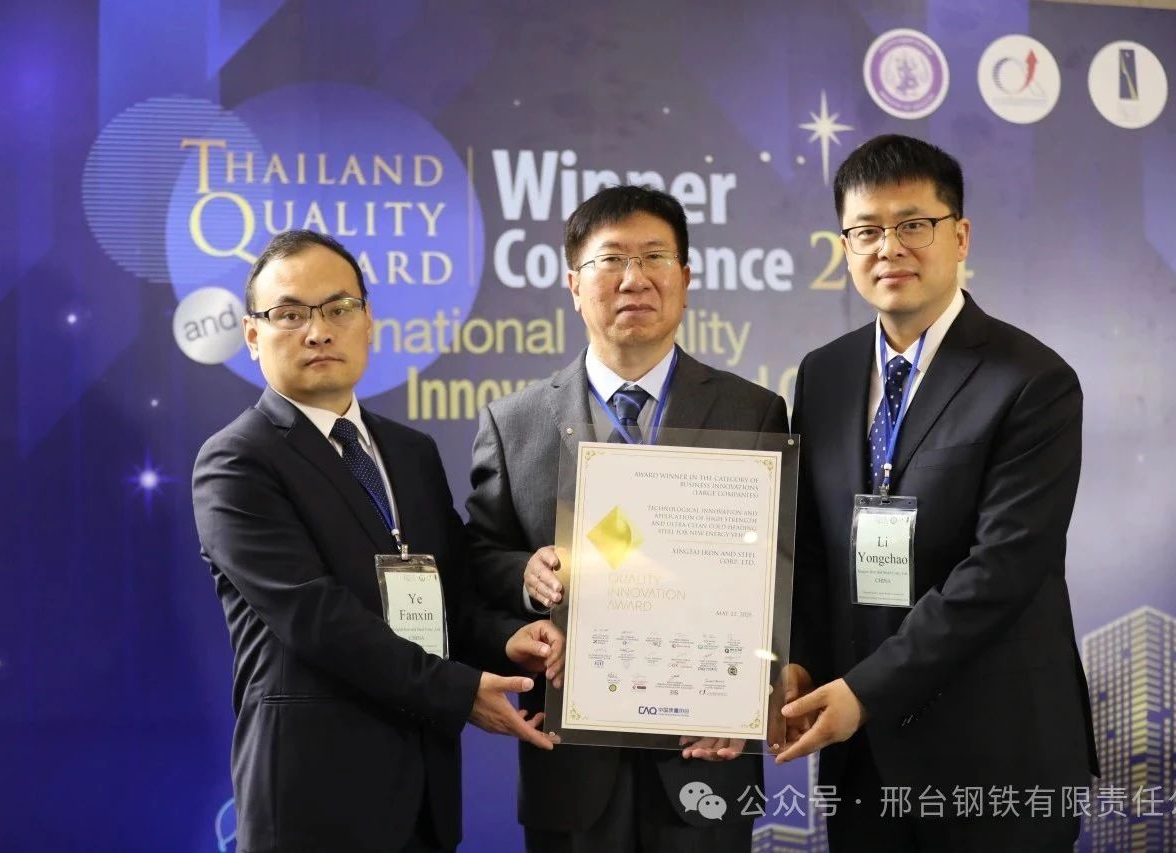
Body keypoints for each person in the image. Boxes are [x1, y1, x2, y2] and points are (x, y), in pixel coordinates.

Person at [192, 229, 562, 853]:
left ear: (369, 323)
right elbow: (317, 618)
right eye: (290, 314)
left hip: (423, 793)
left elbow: (450, 592)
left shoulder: (409, 452)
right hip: (312, 801)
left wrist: (507, 639)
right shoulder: (236, 461)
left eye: (339, 308)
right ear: (253, 336)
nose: (318, 331)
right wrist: (459, 692)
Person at [776, 135, 1098, 851]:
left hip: (996, 749)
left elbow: (1001, 571)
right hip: (863, 756)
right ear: (845, 247)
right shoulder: (823, 375)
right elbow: (813, 552)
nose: (889, 247)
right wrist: (801, 660)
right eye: (866, 230)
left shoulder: (1033, 380)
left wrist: (865, 691)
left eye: (913, 224)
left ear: (960, 236)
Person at [466, 186, 788, 852]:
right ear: (573, 284)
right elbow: (478, 563)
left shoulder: (752, 411)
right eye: (611, 259)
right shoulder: (513, 422)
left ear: (686, 279)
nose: (634, 278)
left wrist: (750, 697)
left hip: (707, 752)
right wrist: (525, 580)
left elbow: (783, 571)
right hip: (569, 761)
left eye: (654, 257)